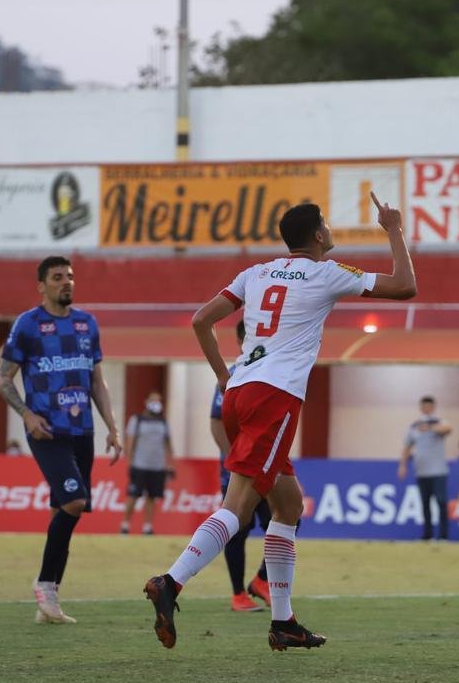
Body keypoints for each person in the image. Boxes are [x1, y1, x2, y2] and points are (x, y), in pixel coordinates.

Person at [143, 191, 417, 650]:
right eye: (326, 225)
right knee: (238, 508)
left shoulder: (256, 273)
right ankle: (171, 581)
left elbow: (200, 320)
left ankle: (283, 622)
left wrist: (223, 376)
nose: (330, 230)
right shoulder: (327, 273)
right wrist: (393, 229)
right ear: (317, 235)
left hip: (240, 394)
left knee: (289, 507)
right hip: (274, 399)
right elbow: (405, 286)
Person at [0, 255, 122, 624]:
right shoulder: (28, 325)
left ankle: (47, 604)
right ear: (41, 285)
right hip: (46, 432)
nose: (66, 282)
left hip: (82, 430)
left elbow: (97, 381)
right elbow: (3, 379)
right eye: (57, 277)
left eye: (69, 276)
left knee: (62, 512)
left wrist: (112, 428)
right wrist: (27, 414)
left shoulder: (87, 324)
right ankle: (46, 584)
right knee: (75, 503)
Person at [211, 319, 273, 612]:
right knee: (238, 528)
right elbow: (216, 422)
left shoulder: (274, 372)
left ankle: (262, 580)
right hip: (241, 467)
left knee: (288, 517)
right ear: (242, 340)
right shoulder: (234, 375)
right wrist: (234, 458)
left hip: (268, 464)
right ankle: (238, 594)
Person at [119, 391, 175, 535]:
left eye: (159, 400)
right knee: (133, 495)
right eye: (154, 400)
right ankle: (125, 525)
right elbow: (130, 443)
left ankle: (147, 527)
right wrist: (129, 463)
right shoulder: (137, 420)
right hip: (139, 465)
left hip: (157, 466)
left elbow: (168, 444)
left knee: (152, 497)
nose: (157, 403)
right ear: (147, 402)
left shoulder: (163, 422)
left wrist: (170, 464)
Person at [397, 395, 452, 540]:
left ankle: (443, 535)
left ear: (433, 407)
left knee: (441, 502)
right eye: (424, 406)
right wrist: (402, 465)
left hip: (439, 471)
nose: (426, 409)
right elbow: (407, 447)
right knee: (425, 504)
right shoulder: (414, 426)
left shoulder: (439, 422)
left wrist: (430, 427)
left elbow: (447, 429)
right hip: (422, 472)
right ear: (421, 408)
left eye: (429, 406)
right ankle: (427, 534)